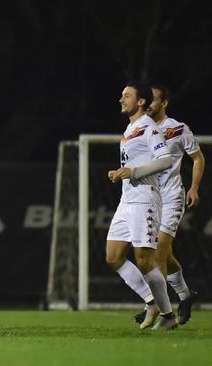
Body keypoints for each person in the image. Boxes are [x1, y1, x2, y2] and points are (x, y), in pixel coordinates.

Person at [105, 81, 177, 331]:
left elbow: (165, 160)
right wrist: (121, 173)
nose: (121, 99)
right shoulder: (130, 129)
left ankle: (168, 316)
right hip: (127, 200)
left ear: (141, 101)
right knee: (113, 257)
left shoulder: (149, 127)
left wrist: (134, 171)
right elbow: (133, 164)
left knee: (145, 261)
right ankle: (151, 300)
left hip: (145, 198)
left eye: (126, 96)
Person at [146, 84, 204, 325]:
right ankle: (185, 295)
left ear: (164, 103)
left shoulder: (178, 129)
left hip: (172, 197)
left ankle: (160, 310)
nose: (147, 104)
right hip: (148, 199)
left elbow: (198, 158)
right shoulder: (139, 129)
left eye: (152, 100)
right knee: (164, 254)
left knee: (158, 251)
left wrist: (193, 188)